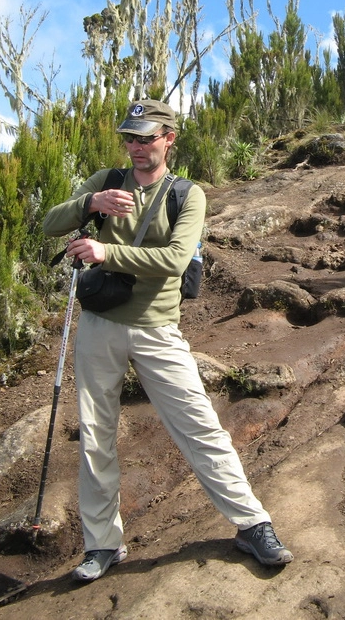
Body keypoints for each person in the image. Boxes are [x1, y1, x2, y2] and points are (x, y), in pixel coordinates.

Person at [43, 99, 293, 583]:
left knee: (200, 426)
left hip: (157, 329)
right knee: (95, 436)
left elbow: (177, 260)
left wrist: (105, 251)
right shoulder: (107, 181)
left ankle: (252, 524)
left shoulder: (187, 195)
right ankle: (102, 544)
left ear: (169, 139)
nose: (137, 147)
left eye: (147, 138)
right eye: (130, 138)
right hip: (99, 327)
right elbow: (50, 222)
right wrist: (90, 204)